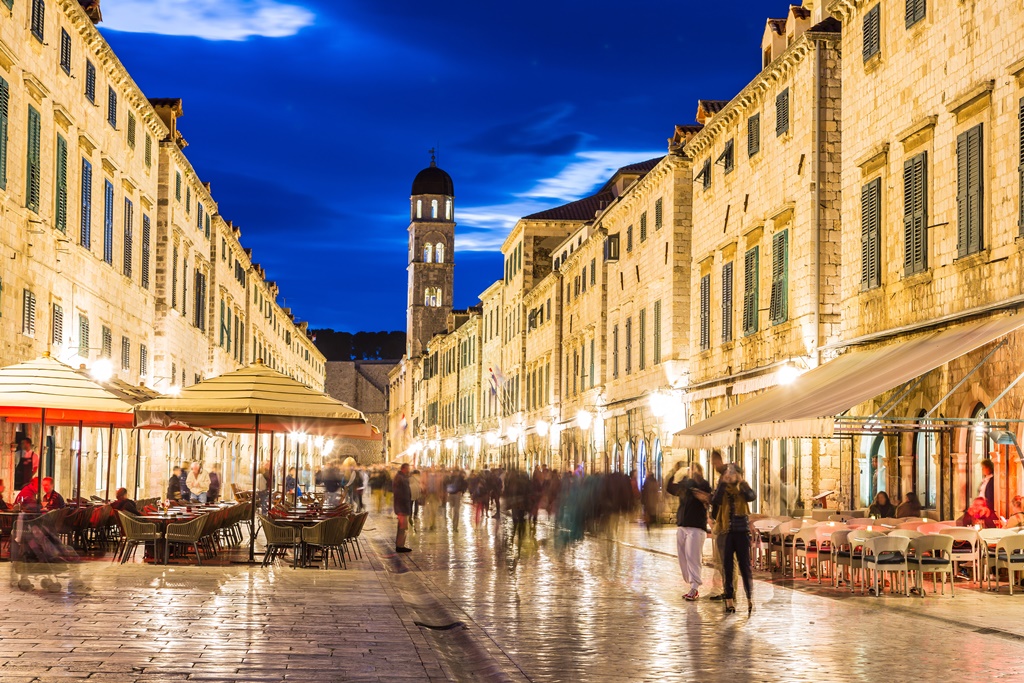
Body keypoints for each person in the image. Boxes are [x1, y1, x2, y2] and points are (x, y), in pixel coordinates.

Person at [712, 463, 756, 615]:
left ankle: (750, 597)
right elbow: (715, 500)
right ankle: (729, 599)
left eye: (733, 473)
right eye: (728, 473)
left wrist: (742, 482)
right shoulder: (723, 489)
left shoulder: (743, 489)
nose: (730, 475)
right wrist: (722, 482)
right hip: (726, 533)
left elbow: (752, 496)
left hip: (742, 532)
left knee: (745, 567)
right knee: (728, 567)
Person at [667, 462, 712, 601]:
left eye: (694, 468)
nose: (691, 470)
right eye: (690, 468)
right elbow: (670, 488)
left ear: (699, 470)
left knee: (693, 557)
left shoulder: (703, 484)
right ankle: (691, 584)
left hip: (696, 526)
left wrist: (696, 481)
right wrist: (674, 471)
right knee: (683, 557)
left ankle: (695, 587)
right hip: (682, 524)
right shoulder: (685, 484)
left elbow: (708, 495)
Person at [393, 463, 412, 553]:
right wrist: (402, 508)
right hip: (402, 507)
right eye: (408, 468)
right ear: (404, 468)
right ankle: (400, 546)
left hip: (403, 506)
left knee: (403, 527)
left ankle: (401, 545)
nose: (409, 470)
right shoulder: (401, 479)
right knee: (402, 527)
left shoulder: (402, 478)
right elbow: (401, 494)